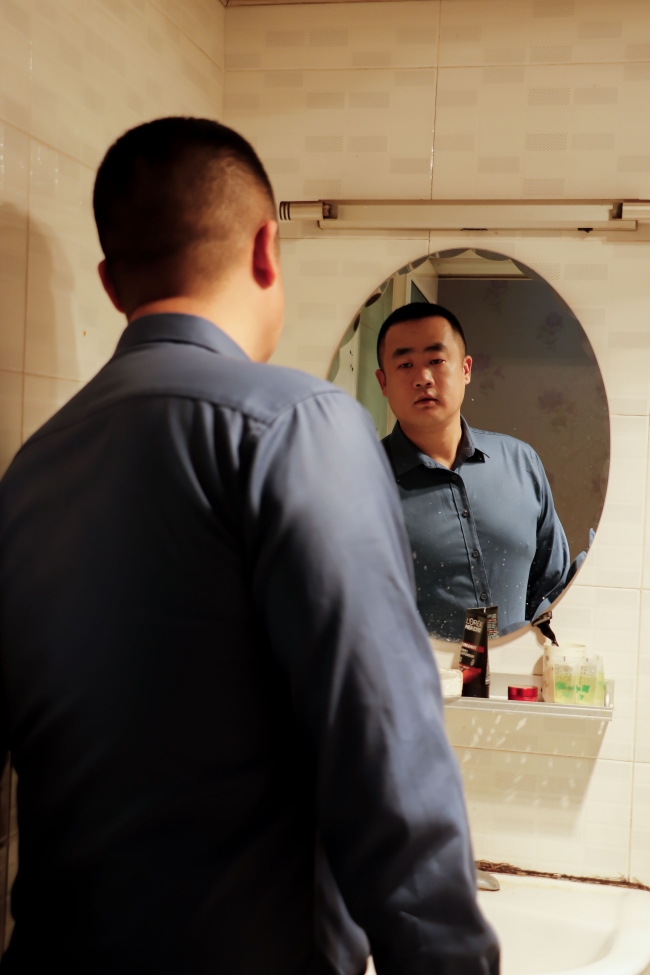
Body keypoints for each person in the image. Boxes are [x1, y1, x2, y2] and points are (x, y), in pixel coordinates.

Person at [0, 119, 498, 975]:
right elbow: (382, 750)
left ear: (112, 283)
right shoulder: (296, 423)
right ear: (267, 248)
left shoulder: (30, 469)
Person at [376, 302, 570, 643]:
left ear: (465, 369)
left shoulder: (521, 462)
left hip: (515, 672)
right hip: (407, 674)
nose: (423, 378)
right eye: (405, 365)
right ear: (383, 382)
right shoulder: (362, 478)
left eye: (436, 361)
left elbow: (552, 589)